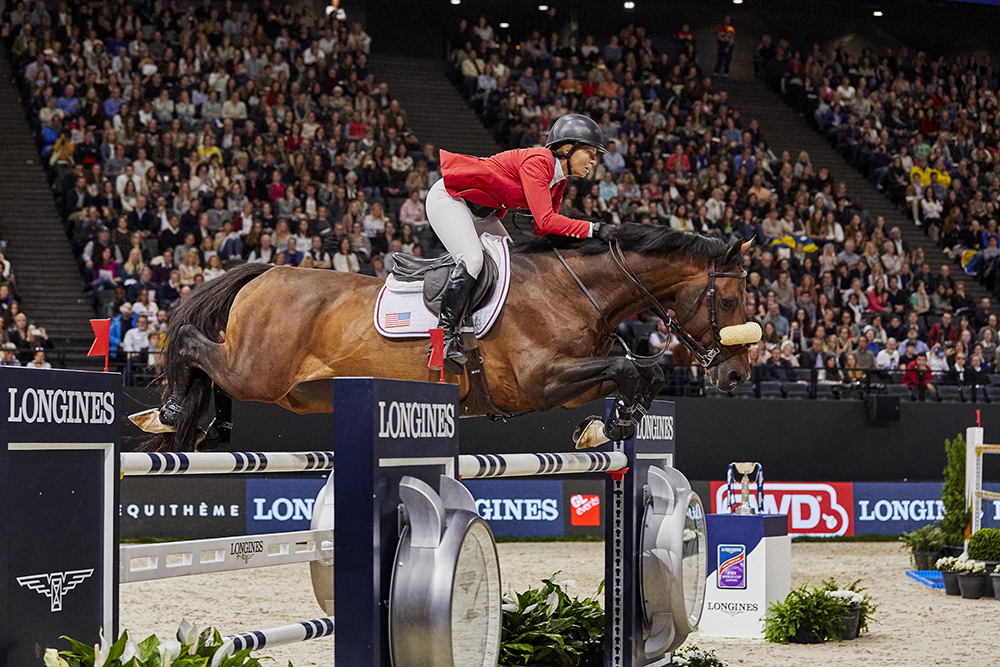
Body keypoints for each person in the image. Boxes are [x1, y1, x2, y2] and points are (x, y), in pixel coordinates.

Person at [427, 113, 611, 373]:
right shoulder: (539, 162)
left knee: (513, 266)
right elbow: (547, 221)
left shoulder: (558, 180)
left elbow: (540, 227)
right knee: (473, 259)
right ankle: (441, 341)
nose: (594, 160)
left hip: (480, 213)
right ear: (567, 149)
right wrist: (593, 229)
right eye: (590, 152)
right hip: (450, 199)